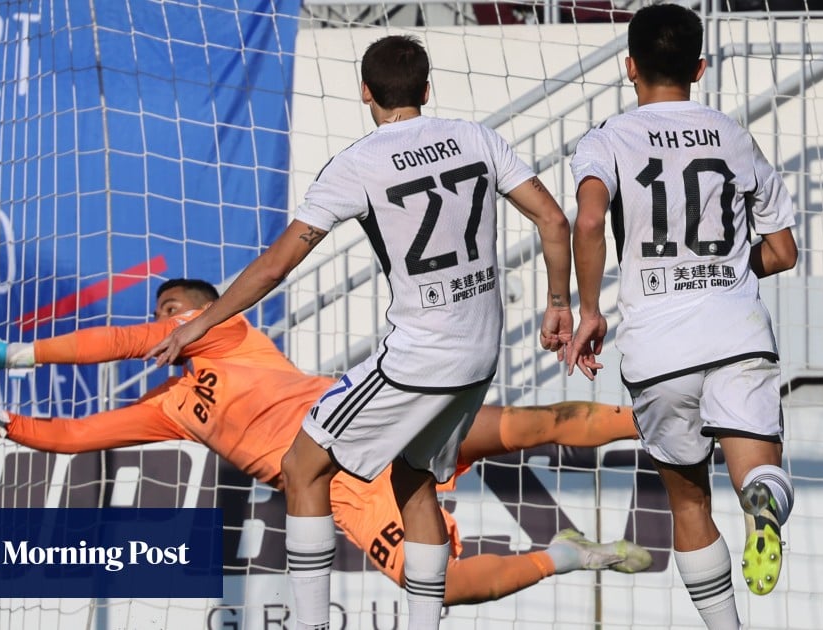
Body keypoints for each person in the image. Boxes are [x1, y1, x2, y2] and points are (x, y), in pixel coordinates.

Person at [145, 35, 577, 630]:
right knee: (413, 478)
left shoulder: (357, 163)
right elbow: (554, 219)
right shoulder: (476, 137)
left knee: (303, 466)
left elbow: (276, 265)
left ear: (366, 94)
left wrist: (201, 324)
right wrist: (559, 304)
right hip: (481, 352)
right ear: (427, 91)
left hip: (417, 358)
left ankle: (312, 624)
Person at [0, 278, 651, 609]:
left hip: (372, 419)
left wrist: (17, 357)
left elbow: (121, 340)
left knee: (534, 426)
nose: (166, 323)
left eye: (175, 311)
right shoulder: (174, 406)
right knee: (434, 587)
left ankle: (662, 423)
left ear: (204, 312)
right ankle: (563, 556)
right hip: (341, 488)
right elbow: (76, 435)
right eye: (161, 314)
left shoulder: (230, 330)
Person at [566, 4, 798, 629]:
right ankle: (765, 501)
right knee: (762, 474)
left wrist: (588, 310)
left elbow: (588, 220)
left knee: (689, 502)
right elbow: (783, 251)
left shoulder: (608, 138)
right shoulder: (734, 135)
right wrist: (726, 266)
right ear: (699, 67)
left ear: (629, 67)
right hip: (735, 333)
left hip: (658, 349)